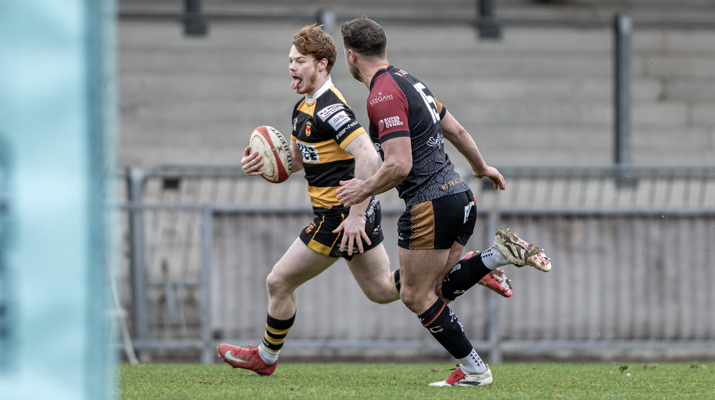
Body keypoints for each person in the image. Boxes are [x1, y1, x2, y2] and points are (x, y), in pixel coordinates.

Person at [216, 24, 515, 377]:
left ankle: (265, 357)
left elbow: (369, 157)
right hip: (353, 214)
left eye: (300, 61)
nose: (292, 67)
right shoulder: (302, 109)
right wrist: (260, 163)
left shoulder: (331, 109)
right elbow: (297, 162)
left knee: (278, 281)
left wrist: (355, 215)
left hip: (338, 217)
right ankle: (466, 267)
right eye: (290, 60)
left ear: (324, 64)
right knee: (384, 290)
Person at [338, 17, 552, 387]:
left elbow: (399, 165)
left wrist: (363, 189)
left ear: (351, 56)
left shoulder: (382, 95)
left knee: (414, 295)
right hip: (460, 197)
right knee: (436, 290)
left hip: (430, 205)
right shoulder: (410, 81)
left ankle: (476, 368)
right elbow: (457, 130)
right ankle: (494, 258)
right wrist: (481, 167)